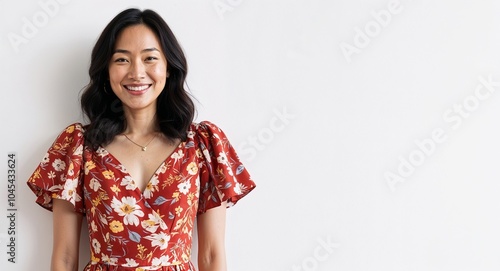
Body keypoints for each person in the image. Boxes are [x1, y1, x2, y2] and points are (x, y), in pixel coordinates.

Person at [26, 8, 256, 271]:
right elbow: (65, 257)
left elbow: (212, 256)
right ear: (106, 70)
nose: (137, 72)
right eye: (122, 60)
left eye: (149, 58)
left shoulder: (202, 145)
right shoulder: (78, 147)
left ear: (168, 67)